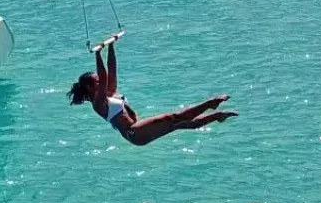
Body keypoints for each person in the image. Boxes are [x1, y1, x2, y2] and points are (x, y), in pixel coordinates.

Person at [69, 34, 235, 146]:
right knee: (174, 117)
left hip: (138, 130)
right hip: (134, 133)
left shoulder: (109, 92)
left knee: (179, 124)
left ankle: (216, 116)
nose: (101, 82)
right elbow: (104, 76)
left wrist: (111, 46)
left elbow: (111, 71)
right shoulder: (98, 104)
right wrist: (97, 54)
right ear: (90, 88)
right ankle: (211, 103)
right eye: (97, 82)